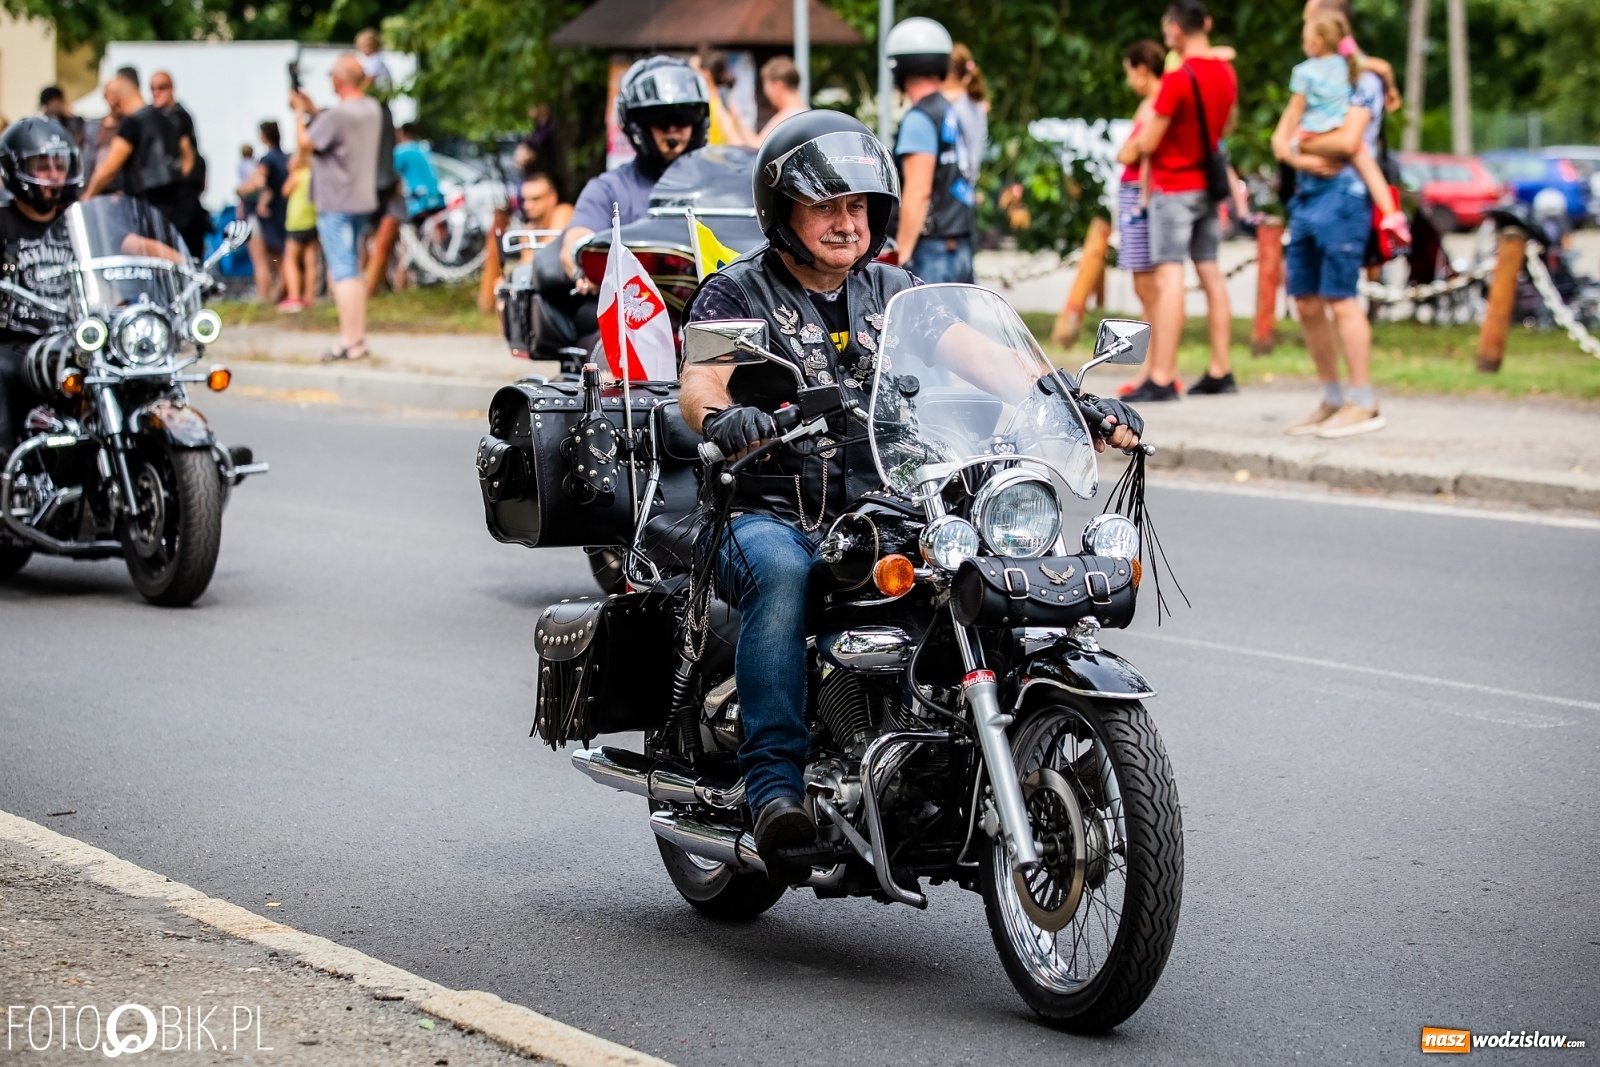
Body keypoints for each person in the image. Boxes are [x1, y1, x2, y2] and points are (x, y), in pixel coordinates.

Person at [679, 110, 1142, 882]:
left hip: (885, 503)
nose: (844, 221)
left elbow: (987, 357)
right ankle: (773, 785)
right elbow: (699, 384)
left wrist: (1068, 400)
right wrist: (726, 419)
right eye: (825, 205)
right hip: (765, 510)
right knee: (783, 575)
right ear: (782, 211)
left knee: (985, 564)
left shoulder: (896, 291)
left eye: (858, 205)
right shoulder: (735, 293)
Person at [1270, 0, 1392, 437]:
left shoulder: (1364, 76)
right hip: (1307, 196)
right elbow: (1280, 142)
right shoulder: (1310, 74)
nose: (1303, 20)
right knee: (1304, 300)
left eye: (1309, 13)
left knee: (1341, 298)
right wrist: (1303, 153)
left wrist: (1304, 144)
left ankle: (1363, 401)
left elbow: (1350, 142)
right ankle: (1333, 396)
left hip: (1345, 196)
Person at [1128, 0, 1238, 402]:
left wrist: (1134, 145)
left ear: (1175, 31)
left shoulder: (1177, 79)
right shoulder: (1226, 73)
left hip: (1174, 188)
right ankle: (1220, 368)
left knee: (1169, 275)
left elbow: (1150, 140)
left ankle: (1162, 374)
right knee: (1210, 271)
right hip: (1209, 187)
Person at [558, 56, 709, 291]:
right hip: (635, 314)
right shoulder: (609, 188)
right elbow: (576, 242)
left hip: (718, 314)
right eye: (658, 118)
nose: (672, 129)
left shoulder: (719, 183)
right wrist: (583, 268)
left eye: (684, 116)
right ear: (636, 124)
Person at [1286, 13, 1408, 248]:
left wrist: (1297, 145)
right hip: (1336, 133)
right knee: (1367, 163)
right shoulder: (1349, 65)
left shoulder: (1304, 71)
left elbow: (1291, 127)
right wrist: (1391, 89)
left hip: (1311, 136)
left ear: (1317, 41)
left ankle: (1392, 215)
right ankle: (1392, 215)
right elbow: (1381, 66)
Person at [291, 53, 381, 361]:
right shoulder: (371, 109)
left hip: (336, 202)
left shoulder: (338, 115)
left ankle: (349, 340)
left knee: (342, 272)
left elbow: (307, 143)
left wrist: (299, 114)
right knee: (353, 270)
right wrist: (314, 109)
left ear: (339, 80)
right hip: (361, 200)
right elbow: (334, 125)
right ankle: (358, 339)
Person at [0, 118, 79, 455]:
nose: (52, 174)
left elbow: (127, 247)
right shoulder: (3, 220)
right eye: (41, 165)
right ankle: (4, 461)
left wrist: (182, 263)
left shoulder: (78, 222)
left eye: (58, 164)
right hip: (16, 345)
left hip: (74, 343)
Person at [1113, 39, 1167, 395]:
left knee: (1149, 289)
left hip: (1139, 198)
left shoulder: (1153, 107)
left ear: (1141, 69)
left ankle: (1156, 367)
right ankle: (1153, 366)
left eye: (1130, 72)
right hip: (1133, 194)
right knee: (1143, 286)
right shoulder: (1150, 105)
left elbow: (1134, 151)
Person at [81, 72, 191, 231]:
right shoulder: (165, 119)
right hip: (172, 210)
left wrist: (87, 197)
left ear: (116, 100)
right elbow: (187, 159)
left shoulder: (132, 124)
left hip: (143, 212)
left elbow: (108, 169)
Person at [149, 71, 209, 258]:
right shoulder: (156, 115)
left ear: (171, 89)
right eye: (153, 88)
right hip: (168, 205)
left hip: (183, 206)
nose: (157, 92)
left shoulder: (178, 116)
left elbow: (189, 155)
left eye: (162, 87)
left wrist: (180, 181)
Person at [237, 121, 289, 303]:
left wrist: (241, 190)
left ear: (263, 136)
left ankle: (264, 298)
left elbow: (258, 182)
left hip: (261, 217)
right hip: (281, 214)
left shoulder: (266, 160)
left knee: (260, 261)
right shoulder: (286, 157)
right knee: (281, 258)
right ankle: (284, 294)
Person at [942, 43, 989, 190]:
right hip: (967, 188)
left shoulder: (952, 105)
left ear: (949, 73)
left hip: (951, 188)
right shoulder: (977, 105)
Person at [280, 145, 319, 312]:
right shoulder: (313, 176)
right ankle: (310, 296)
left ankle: (294, 296)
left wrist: (291, 172)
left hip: (296, 224)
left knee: (290, 260)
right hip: (312, 222)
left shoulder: (296, 176)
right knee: (310, 262)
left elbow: (284, 192)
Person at [755, 57, 808, 144]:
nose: (765, 93)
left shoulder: (787, 118)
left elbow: (756, 150)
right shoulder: (805, 113)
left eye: (766, 86)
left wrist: (729, 124)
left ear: (777, 86)